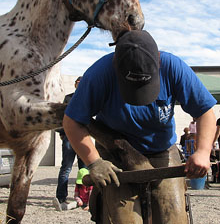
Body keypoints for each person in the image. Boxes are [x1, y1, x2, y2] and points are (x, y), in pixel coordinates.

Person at [63, 30, 217, 223]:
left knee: (172, 217)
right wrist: (94, 161)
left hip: (161, 150)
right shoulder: (98, 74)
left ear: (158, 60)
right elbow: (72, 121)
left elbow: (205, 112)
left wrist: (203, 151)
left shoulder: (173, 67)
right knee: (122, 219)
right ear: (115, 65)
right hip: (115, 153)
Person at [53, 76, 87, 211]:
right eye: (78, 83)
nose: (79, 85)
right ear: (75, 84)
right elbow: (62, 117)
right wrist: (61, 133)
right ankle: (61, 197)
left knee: (83, 170)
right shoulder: (68, 98)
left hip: (83, 138)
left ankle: (84, 199)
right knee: (66, 167)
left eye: (81, 83)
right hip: (69, 137)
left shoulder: (87, 99)